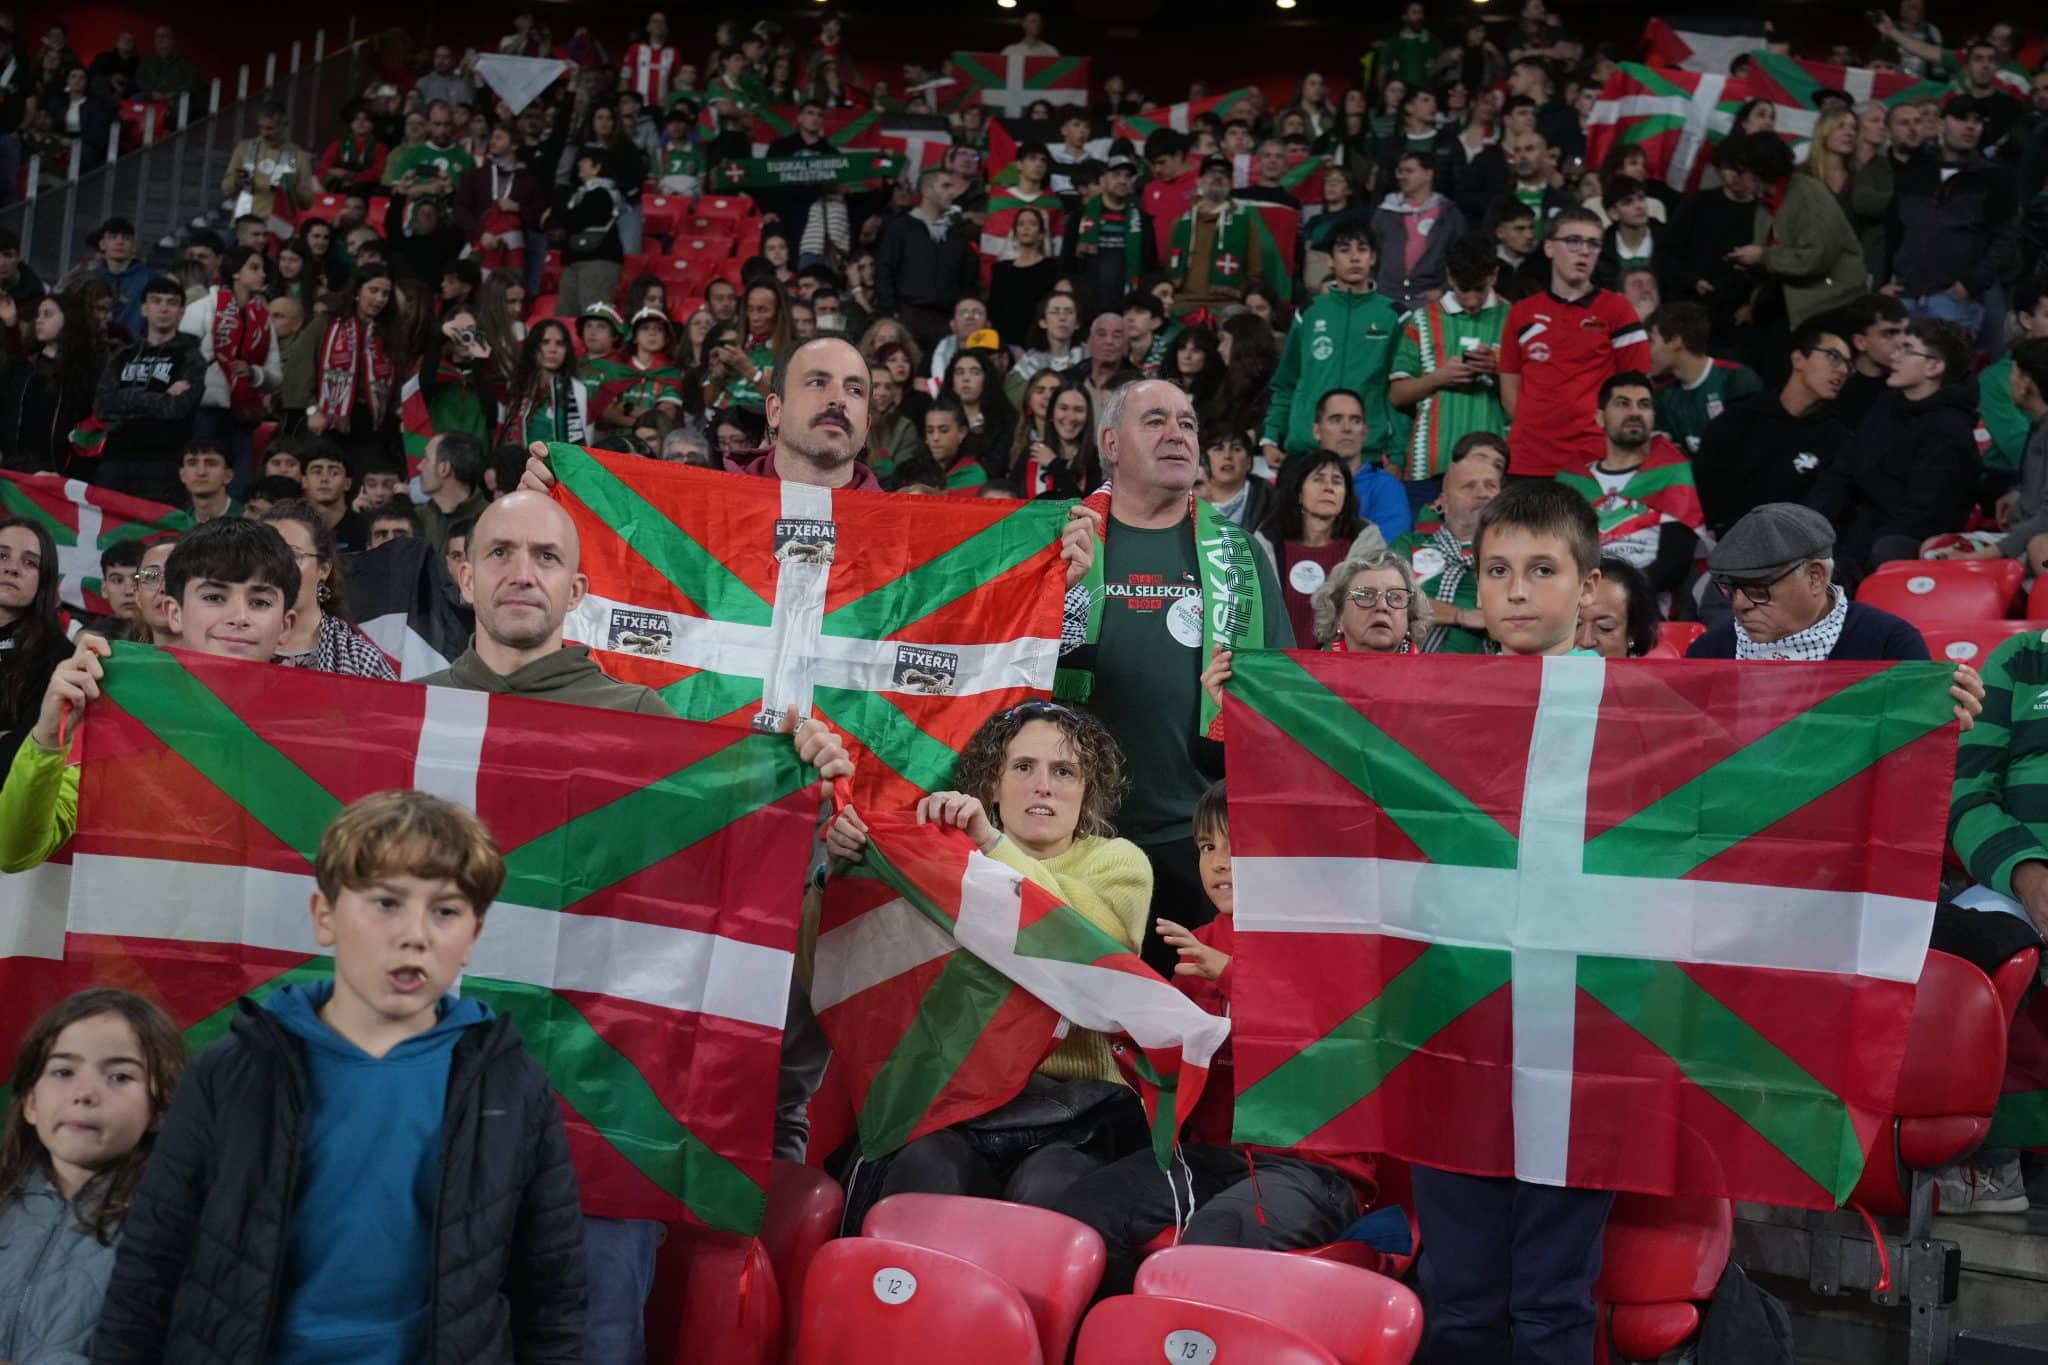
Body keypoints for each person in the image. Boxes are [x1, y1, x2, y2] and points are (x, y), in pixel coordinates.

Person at [92, 789, 586, 1362]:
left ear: (472, 936)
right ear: (324, 916)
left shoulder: (512, 1087)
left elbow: (551, 1293)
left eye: (445, 911)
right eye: (386, 902)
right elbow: (151, 1265)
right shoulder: (234, 1071)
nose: (415, 934)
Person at [1400, 480, 1612, 1364]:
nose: (1517, 590)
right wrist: (1250, 700)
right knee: (1459, 1300)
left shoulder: (1647, 716)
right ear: (1474, 586)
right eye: (1497, 570)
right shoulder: (1427, 709)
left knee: (1554, 1303)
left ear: (1589, 587)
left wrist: (1913, 723)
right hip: (1456, 1030)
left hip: (1585, 1047)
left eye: (1542, 569)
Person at [823, 702, 1152, 1217]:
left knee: (1048, 1187)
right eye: (1024, 767)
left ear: (1087, 791)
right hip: (960, 1100)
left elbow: (1089, 941)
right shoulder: (944, 856)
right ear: (992, 785)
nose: (1043, 784)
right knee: (921, 1174)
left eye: (1064, 771)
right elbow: (841, 973)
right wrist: (841, 872)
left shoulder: (1118, 860)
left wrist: (991, 843)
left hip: (1079, 1110)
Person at [1049, 779, 1372, 1293]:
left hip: (1313, 1170)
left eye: (1237, 844)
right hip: (1210, 1156)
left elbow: (1335, 1051)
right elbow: (1178, 1067)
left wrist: (1232, 975)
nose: (1219, 862)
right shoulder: (1196, 944)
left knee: (1212, 1240)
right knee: (1079, 1215)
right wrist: (1131, 1032)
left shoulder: (1337, 942)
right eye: (1206, 846)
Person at [1058, 379, 1291, 973]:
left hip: (1203, 842)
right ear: (1110, 442)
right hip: (1075, 835)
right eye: (1156, 421)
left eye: (1187, 424)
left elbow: (1285, 695)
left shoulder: (1242, 554)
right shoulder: (1060, 543)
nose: (1177, 435)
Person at [0, 518, 302, 873]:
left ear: (286, 626)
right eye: (214, 597)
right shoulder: (122, 713)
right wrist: (47, 738)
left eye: (260, 601)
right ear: (174, 613)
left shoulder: (319, 729)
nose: (238, 617)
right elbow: (14, 852)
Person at [0, 989, 185, 1364]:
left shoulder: (174, 1229)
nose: (85, 1093)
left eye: (119, 1076)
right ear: (31, 1104)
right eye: (63, 1071)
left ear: (159, 1109)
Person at [1805, 317, 1978, 580]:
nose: (1894, 357)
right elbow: (1841, 473)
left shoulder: (1950, 429)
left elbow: (1922, 516)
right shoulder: (1885, 405)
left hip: (1898, 545)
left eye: (1907, 349)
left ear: (1934, 366)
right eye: (1897, 348)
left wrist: (1847, 555)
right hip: (1855, 532)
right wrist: (1807, 524)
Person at [1499, 204, 1650, 479]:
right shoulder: (1521, 313)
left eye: (1593, 243)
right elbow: (1509, 385)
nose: (1584, 251)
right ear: (1549, 248)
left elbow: (1637, 386)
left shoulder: (1618, 310)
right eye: (1573, 241)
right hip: (1528, 459)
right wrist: (1537, 427)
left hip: (1593, 459)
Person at [1688, 503, 1932, 661]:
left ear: (1815, 577)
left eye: (1758, 589)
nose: (1740, 605)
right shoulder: (1710, 652)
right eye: (1732, 588)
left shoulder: (1889, 645)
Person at [1883, 95, 2022, 357]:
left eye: (1977, 121)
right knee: (1899, 379)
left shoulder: (1996, 177)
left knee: (1945, 383)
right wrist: (1883, 281)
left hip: (1953, 300)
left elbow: (2006, 238)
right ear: (1941, 123)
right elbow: (1893, 229)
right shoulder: (1916, 169)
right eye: (1961, 119)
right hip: (1904, 294)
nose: (1970, 127)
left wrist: (1970, 284)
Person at [1261, 223, 1402, 475]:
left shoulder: (1394, 316)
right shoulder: (1310, 312)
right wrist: (1271, 436)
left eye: (1363, 249)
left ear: (1373, 258)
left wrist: (1399, 455)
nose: (1355, 257)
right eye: (1345, 250)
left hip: (1367, 454)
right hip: (1306, 449)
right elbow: (1287, 382)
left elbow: (1401, 392)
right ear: (1330, 260)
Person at [1695, 321, 1856, 536]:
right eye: (1833, 357)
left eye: (1848, 365)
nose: (1843, 370)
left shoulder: (1837, 440)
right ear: (1798, 359)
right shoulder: (1738, 420)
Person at [1388, 234, 1508, 509]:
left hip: (1494, 472)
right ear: (1450, 277)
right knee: (1421, 545)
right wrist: (1439, 378)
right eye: (1464, 289)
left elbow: (1529, 398)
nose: (1472, 300)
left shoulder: (1513, 318)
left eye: (1479, 288)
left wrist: (1498, 372)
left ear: (1494, 275)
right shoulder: (1422, 320)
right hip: (1429, 465)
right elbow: (1397, 395)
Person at [1559, 372, 1702, 593]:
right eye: (1622, 404)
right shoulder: (1572, 483)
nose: (1635, 412)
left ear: (1653, 416)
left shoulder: (1673, 475)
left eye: (1643, 405)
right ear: (1600, 417)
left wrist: (1619, 595)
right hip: (1579, 599)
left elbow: (1674, 563)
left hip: (1647, 602)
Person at [93, 275, 205, 503]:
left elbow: (176, 409)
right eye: (156, 301)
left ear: (182, 312)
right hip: (116, 460)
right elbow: (102, 407)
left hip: (165, 465)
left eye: (171, 302)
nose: (163, 308)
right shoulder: (122, 354)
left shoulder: (191, 356)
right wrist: (160, 397)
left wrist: (124, 397)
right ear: (144, 309)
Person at [1390, 432, 1506, 653]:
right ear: (1442, 503)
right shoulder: (1410, 543)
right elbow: (1387, 597)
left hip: (1483, 673)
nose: (1482, 494)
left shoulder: (1516, 555)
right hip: (1402, 666)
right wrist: (1459, 616)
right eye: (1469, 486)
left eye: (1491, 486)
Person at [261, 498, 398, 678]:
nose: (276, 567)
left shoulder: (361, 661)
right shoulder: (226, 644)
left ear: (323, 569)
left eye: (292, 556)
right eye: (266, 555)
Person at [179, 244, 280, 488]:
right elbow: (181, 360)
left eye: (263, 269)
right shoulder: (201, 309)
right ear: (236, 272)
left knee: (240, 483)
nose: (262, 274)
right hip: (204, 412)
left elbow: (276, 376)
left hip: (244, 414)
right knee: (202, 481)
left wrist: (254, 373)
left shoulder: (263, 318)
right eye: (254, 268)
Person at [1254, 450, 1369, 646]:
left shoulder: (1366, 547)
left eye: (1337, 481)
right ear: (1299, 493)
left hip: (1338, 668)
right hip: (1275, 667)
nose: (1328, 488)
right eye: (1318, 479)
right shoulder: (1267, 545)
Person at [876, 169, 979, 354]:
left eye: (953, 187)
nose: (952, 192)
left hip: (947, 321)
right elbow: (885, 269)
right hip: (908, 317)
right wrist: (891, 313)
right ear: (926, 191)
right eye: (945, 186)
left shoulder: (957, 234)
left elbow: (969, 278)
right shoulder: (900, 227)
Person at [1, 294, 101, 478]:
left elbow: (89, 429)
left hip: (59, 474)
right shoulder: (26, 366)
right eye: (38, 315)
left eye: (48, 314)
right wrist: (11, 323)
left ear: (69, 320)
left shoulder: (83, 372)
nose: (39, 320)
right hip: (14, 470)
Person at [1646, 301, 1762, 455]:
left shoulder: (1737, 380)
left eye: (1650, 341)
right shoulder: (1663, 396)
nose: (1645, 350)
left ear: (1676, 341)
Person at [1166, 156, 1281, 310]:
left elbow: (1254, 273)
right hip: (1183, 305)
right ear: (1198, 181)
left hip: (1226, 307)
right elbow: (1169, 268)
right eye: (1211, 172)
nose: (1218, 176)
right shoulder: (1179, 223)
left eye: (1224, 173)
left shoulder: (1244, 223)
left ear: (1231, 183)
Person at [1371, 151, 1468, 311]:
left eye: (1409, 171)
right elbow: (1371, 253)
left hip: (1430, 300)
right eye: (1400, 171)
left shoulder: (1449, 214)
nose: (1402, 176)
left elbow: (1462, 257)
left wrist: (1443, 290)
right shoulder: (1385, 212)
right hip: (1387, 298)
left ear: (1428, 174)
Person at [1308, 551, 1431, 653]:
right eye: (1366, 595)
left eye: (1395, 597)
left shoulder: (1432, 680)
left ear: (1409, 619)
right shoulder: (1307, 678)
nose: (1383, 606)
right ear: (1338, 616)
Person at [220, 103, 314, 231]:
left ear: (284, 126)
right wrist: (236, 181)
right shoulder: (244, 148)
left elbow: (308, 202)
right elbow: (226, 187)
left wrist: (291, 188)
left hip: (278, 230)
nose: (264, 133)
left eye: (270, 128)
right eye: (261, 128)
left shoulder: (300, 157)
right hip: (243, 225)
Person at [1576, 554, 1660, 658]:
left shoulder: (1652, 674)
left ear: (1632, 633)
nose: (1586, 641)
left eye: (1605, 628)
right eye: (1575, 626)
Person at [299, 443, 368, 554]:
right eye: (317, 472)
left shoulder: (366, 529)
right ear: (304, 481)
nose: (324, 479)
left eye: (334, 473)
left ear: (348, 483)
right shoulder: (294, 528)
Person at [173, 443, 240, 524]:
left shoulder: (250, 521)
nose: (201, 472)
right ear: (182, 475)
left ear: (228, 476)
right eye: (192, 464)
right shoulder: (177, 526)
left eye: (211, 464)